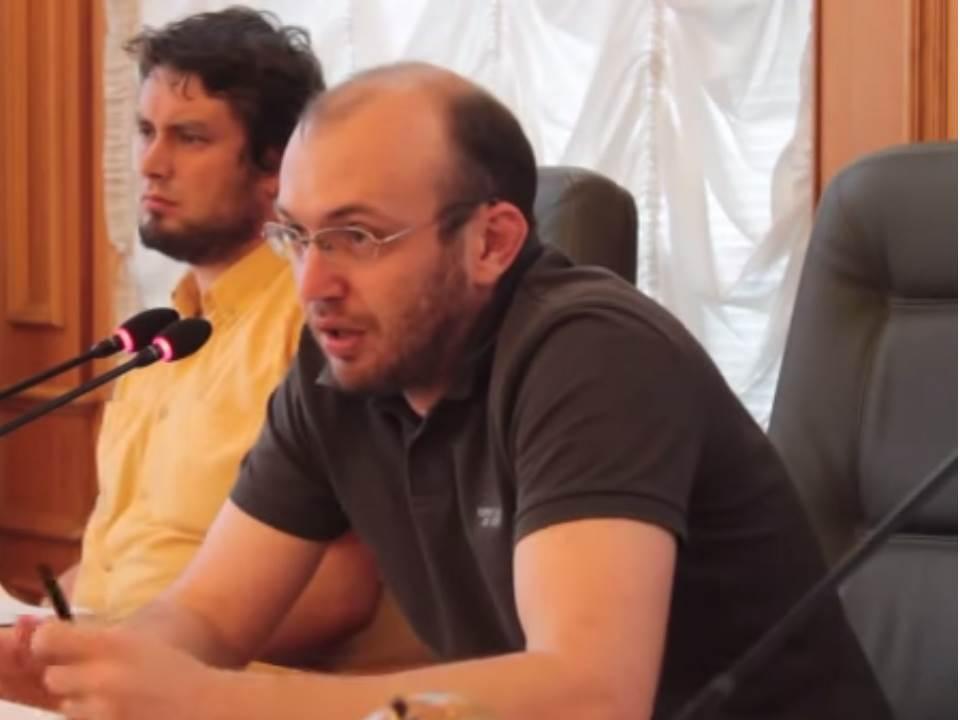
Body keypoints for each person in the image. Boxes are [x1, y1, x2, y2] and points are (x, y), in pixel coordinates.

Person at [2, 62, 891, 719]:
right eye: (296, 237)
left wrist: (212, 703)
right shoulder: (340, 362)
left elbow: (588, 692)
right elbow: (206, 614)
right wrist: (86, 670)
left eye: (356, 237)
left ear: (492, 242)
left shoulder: (592, 354)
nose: (313, 283)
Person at [13, 6, 428, 677]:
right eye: (146, 131)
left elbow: (340, 593)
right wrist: (36, 629)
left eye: (190, 138)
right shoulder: (157, 340)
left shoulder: (323, 330)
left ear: (276, 168)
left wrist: (124, 654)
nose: (152, 164)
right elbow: (118, 563)